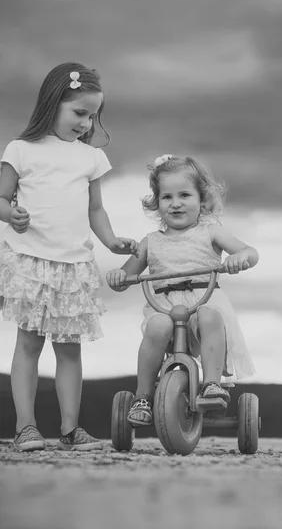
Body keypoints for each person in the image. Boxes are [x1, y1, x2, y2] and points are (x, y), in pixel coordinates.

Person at [0, 62, 139, 452]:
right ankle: (25, 426)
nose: (85, 123)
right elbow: (1, 197)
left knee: (69, 349)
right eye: (79, 113)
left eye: (92, 116)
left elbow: (95, 210)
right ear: (53, 102)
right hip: (30, 260)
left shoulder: (89, 158)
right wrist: (11, 213)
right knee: (28, 344)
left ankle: (70, 428)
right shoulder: (21, 150)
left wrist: (111, 241)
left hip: (73, 264)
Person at [106, 154, 259, 427]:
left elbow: (251, 252)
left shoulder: (211, 233)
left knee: (211, 316)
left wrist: (240, 258)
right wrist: (118, 276)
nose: (176, 203)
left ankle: (212, 384)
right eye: (167, 197)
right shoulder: (150, 242)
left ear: (202, 199)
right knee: (156, 327)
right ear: (157, 202)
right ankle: (143, 396)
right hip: (164, 307)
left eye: (185, 195)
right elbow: (127, 276)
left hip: (203, 302)